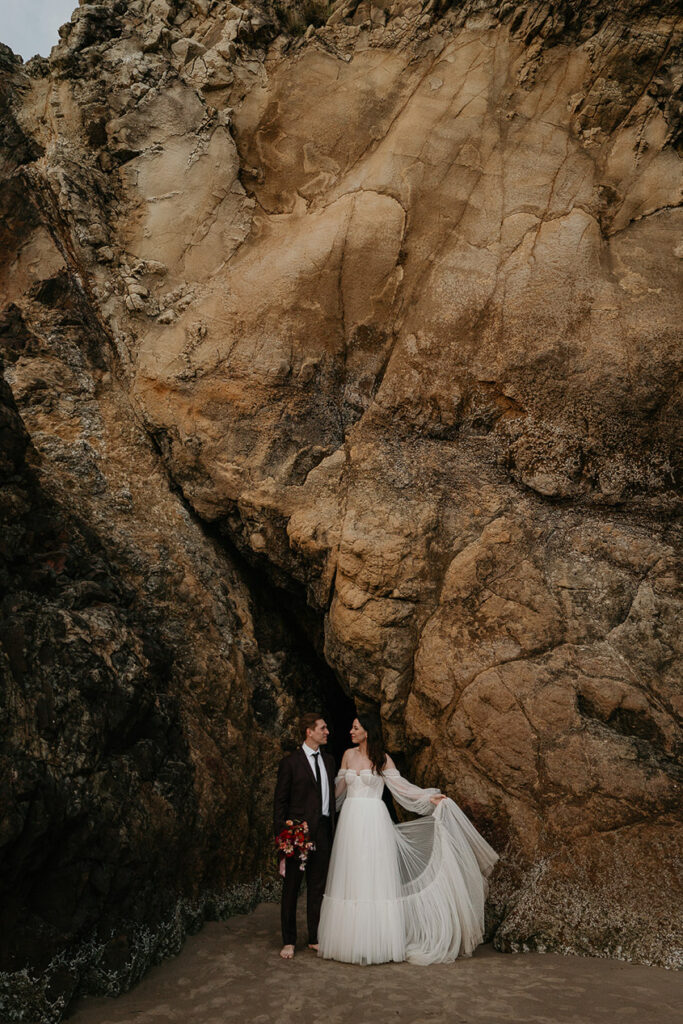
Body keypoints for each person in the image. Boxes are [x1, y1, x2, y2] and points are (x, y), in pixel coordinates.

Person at [317, 712, 498, 965]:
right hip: (350, 821)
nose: (351, 731)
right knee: (351, 875)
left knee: (373, 878)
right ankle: (350, 941)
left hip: (373, 820)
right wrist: (314, 803)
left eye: (355, 727)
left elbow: (401, 788)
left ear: (367, 731)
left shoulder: (382, 759)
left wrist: (429, 798)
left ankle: (377, 941)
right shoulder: (347, 755)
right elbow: (336, 792)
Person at [273, 713, 336, 960]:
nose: (327, 731)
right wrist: (282, 838)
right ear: (309, 731)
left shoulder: (329, 761)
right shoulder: (290, 763)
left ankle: (315, 938)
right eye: (323, 727)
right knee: (291, 887)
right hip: (297, 833)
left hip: (322, 830)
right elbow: (280, 803)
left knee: (317, 886)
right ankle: (289, 941)